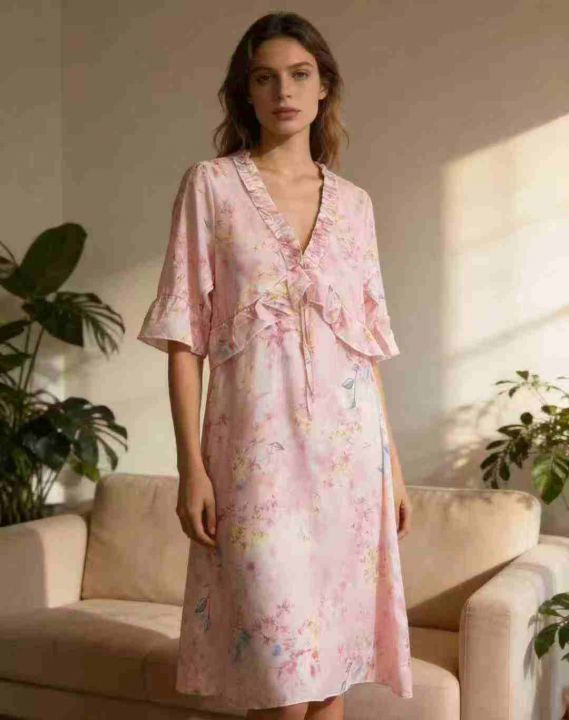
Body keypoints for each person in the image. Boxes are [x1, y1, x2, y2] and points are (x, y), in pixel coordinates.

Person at [137, 10, 413, 720]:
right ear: (246, 93)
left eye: (299, 75)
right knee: (278, 684)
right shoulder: (211, 187)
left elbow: (364, 350)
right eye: (264, 78)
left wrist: (392, 466)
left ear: (324, 88)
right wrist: (191, 467)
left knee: (329, 681)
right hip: (253, 465)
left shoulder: (354, 206)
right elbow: (183, 338)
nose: (283, 92)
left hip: (349, 464)